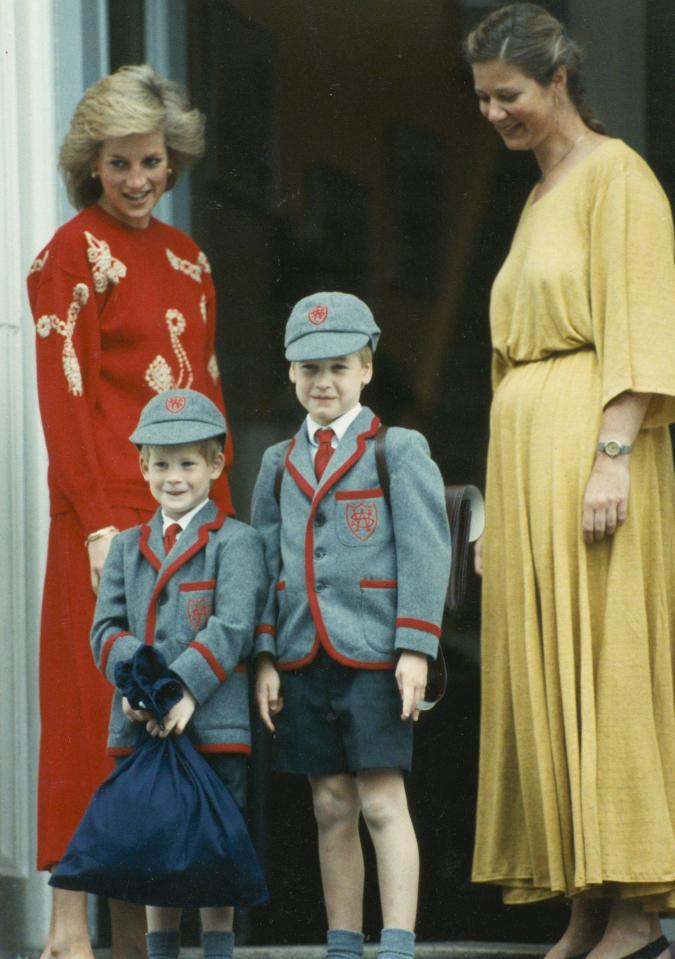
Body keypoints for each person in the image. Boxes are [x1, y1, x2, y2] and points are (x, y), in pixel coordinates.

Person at [463, 5, 675, 959]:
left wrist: (611, 454)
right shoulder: (539, 194)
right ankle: (585, 903)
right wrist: (490, 499)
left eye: (506, 95)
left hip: (592, 455)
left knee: (604, 663)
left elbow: (640, 318)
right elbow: (510, 361)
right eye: (482, 99)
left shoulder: (616, 177)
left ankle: (635, 907)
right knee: (546, 676)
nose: (494, 114)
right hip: (527, 465)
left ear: (556, 82)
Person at [26, 65, 234, 959]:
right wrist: (98, 520)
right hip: (104, 521)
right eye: (120, 165)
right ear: (92, 164)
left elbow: (207, 393)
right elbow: (63, 396)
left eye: (152, 161)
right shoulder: (69, 253)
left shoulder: (191, 260)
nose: (140, 179)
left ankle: (130, 936)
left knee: (170, 718)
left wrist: (226, 524)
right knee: (87, 714)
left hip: (186, 526)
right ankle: (67, 926)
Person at [251, 292, 452, 959]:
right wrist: (267, 655)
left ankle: (395, 942)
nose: (323, 382)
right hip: (305, 653)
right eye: (308, 369)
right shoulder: (278, 463)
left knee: (380, 802)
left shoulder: (396, 448)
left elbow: (426, 549)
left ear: (366, 367)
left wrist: (414, 647)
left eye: (338, 366)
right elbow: (265, 563)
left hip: (374, 653)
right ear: (289, 374)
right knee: (329, 805)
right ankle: (343, 941)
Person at [90, 388, 266, 959]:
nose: (173, 477)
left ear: (215, 465)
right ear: (142, 466)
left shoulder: (237, 542)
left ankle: (218, 950)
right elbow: (106, 629)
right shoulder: (124, 547)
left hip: (211, 723)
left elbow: (233, 624)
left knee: (214, 846)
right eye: (160, 463)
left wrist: (184, 688)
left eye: (188, 462)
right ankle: (161, 950)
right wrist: (137, 689)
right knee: (153, 851)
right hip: (143, 724)